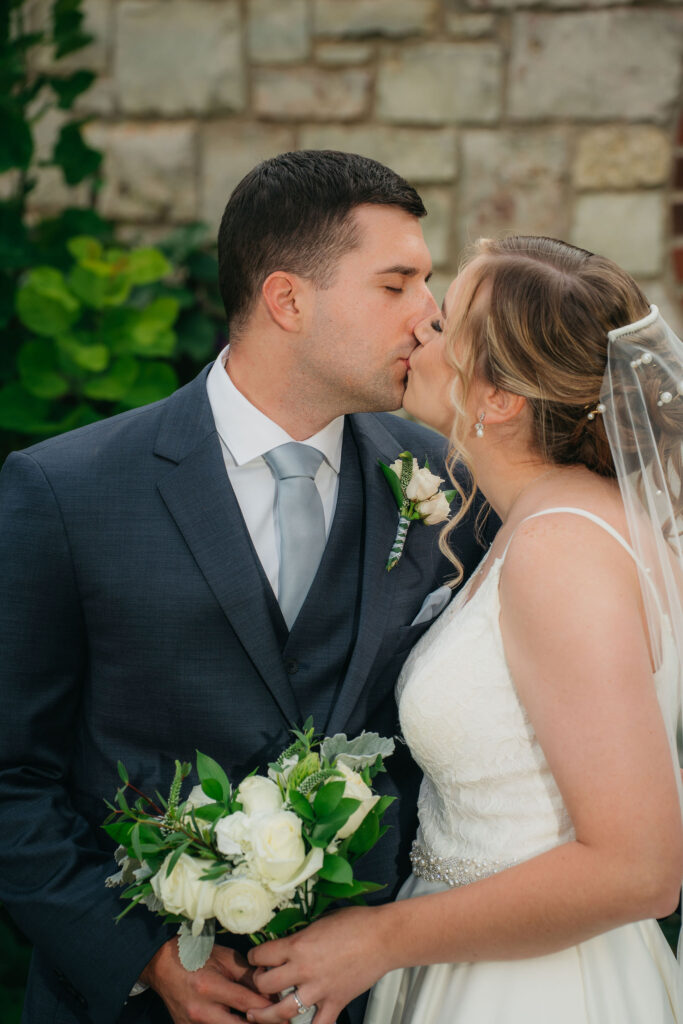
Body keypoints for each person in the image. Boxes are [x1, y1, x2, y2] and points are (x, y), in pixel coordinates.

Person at [0, 151, 490, 1024]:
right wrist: (143, 959)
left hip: (379, 998)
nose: (430, 316)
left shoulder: (449, 480)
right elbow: (11, 774)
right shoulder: (65, 492)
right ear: (287, 300)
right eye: (397, 284)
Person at [245, 235, 683, 1024]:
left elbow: (639, 869)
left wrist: (379, 939)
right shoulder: (549, 520)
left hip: (536, 987)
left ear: (499, 399)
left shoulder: (560, 551)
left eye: (444, 324)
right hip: (479, 957)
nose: (417, 329)